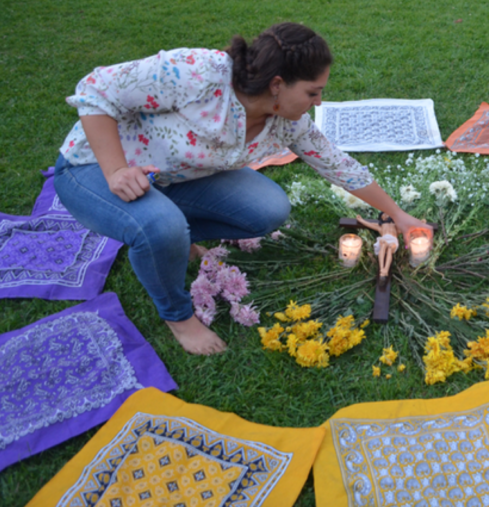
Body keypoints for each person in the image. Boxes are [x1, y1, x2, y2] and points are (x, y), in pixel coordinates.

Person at [53, 22, 430, 355]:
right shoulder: (198, 73)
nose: (319, 102)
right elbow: (95, 89)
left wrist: (397, 214)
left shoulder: (287, 121)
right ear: (277, 84)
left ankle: (165, 233)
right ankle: (177, 314)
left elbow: (337, 164)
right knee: (160, 227)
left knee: (268, 208)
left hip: (173, 180)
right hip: (92, 168)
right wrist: (116, 168)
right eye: (313, 93)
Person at [356, 213, 399, 281]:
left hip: (393, 240)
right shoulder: (380, 226)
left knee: (390, 248)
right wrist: (361, 220)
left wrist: (420, 224)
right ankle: (382, 269)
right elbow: (369, 224)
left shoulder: (396, 226)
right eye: (383, 216)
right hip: (384, 239)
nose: (385, 216)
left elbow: (406, 228)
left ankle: (386, 270)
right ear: (381, 218)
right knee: (383, 244)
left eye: (386, 214)